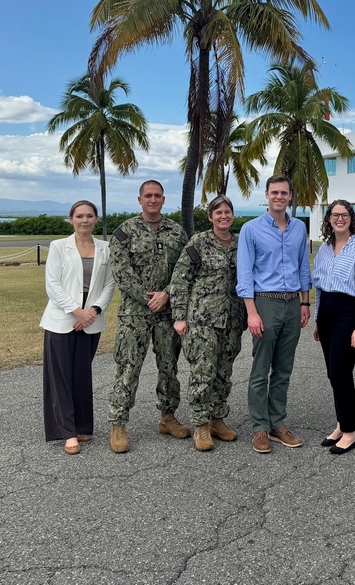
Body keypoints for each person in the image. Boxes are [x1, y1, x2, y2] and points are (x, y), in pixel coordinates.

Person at [106, 180, 189, 454]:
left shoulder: (177, 233)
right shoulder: (124, 233)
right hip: (135, 314)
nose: (153, 200)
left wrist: (165, 294)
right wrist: (147, 297)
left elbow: (183, 271)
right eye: (148, 196)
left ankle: (167, 417)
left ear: (164, 200)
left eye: (157, 196)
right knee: (129, 368)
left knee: (169, 367)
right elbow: (122, 272)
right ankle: (118, 423)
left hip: (167, 312)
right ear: (139, 200)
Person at [236, 175, 312, 454]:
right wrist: (251, 312)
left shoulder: (299, 229)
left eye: (284, 193)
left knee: (283, 368)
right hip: (265, 303)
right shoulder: (251, 230)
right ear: (266, 195)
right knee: (261, 368)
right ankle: (259, 428)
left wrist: (305, 303)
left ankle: (277, 423)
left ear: (290, 196)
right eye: (274, 192)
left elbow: (303, 265)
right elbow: (244, 273)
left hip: (292, 303)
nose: (279, 197)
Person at [170, 196, 247, 452]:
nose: (223, 216)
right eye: (218, 212)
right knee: (203, 372)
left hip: (233, 320)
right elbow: (181, 279)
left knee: (224, 372)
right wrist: (179, 316)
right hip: (202, 320)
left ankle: (217, 419)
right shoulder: (199, 242)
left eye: (227, 212)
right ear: (210, 217)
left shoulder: (240, 243)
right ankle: (200, 424)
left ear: (232, 215)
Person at [40, 200, 115, 455]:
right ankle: (67, 432)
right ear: (71, 219)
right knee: (60, 376)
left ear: (96, 219)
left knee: (82, 375)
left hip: (91, 321)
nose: (85, 220)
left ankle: (83, 426)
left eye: (90, 216)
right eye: (80, 216)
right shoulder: (59, 246)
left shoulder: (106, 249)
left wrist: (92, 312)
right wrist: (76, 311)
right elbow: (52, 284)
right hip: (62, 320)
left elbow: (109, 284)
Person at [312, 199, 355, 456]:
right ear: (328, 219)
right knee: (332, 374)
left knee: (341, 373)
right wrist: (317, 319)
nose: (339, 218)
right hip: (326, 313)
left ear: (352, 218)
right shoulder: (325, 249)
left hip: (348, 316)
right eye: (335, 215)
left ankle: (351, 433)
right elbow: (319, 288)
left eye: (344, 214)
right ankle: (341, 424)